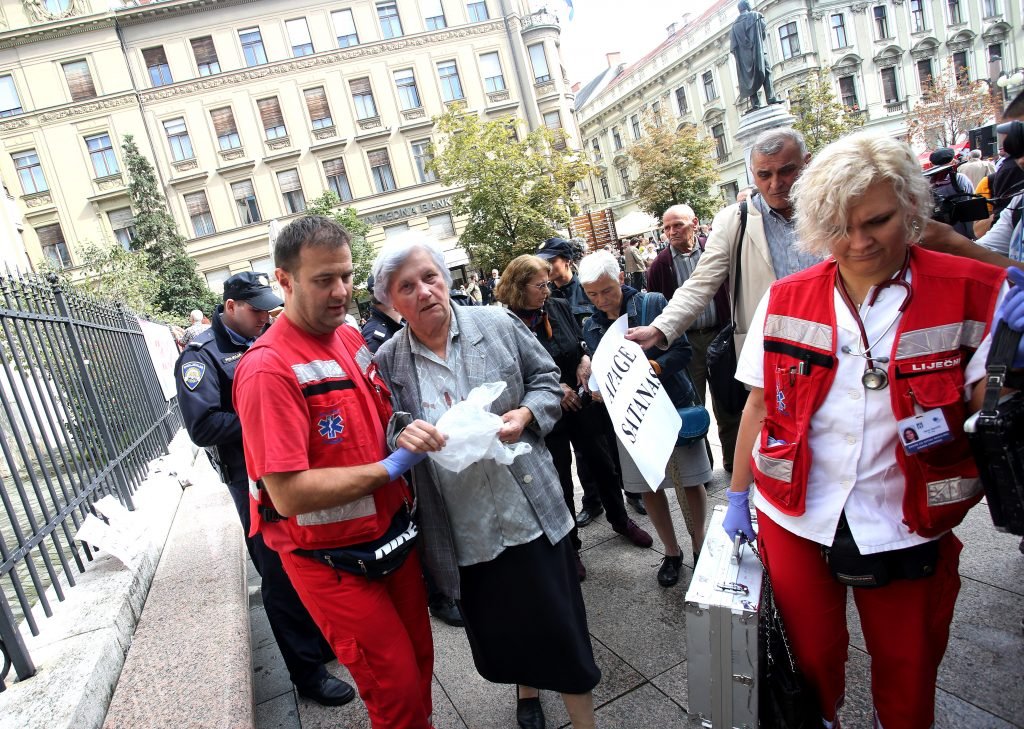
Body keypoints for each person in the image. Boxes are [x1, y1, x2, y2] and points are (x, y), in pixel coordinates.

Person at [724, 131, 1010, 729]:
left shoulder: (973, 292)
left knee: (908, 672)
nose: (858, 243)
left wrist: (1014, 358)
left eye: (876, 221)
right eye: (838, 227)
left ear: (910, 207)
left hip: (908, 517)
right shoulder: (784, 299)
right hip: (795, 513)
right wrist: (736, 493)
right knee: (810, 665)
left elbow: (991, 410)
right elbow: (757, 404)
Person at [372, 235, 599, 729]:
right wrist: (403, 431)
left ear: (445, 278)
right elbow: (388, 426)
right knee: (510, 627)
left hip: (528, 508)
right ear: (391, 301)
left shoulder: (496, 323)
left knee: (562, 626)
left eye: (429, 277)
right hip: (464, 526)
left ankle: (586, 722)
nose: (424, 291)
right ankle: (527, 689)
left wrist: (524, 413)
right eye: (406, 286)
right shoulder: (389, 360)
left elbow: (545, 381)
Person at [233, 216, 435, 729]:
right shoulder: (266, 369)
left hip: (389, 537)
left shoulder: (348, 337)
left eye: (345, 275)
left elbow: (378, 418)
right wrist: (390, 468)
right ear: (284, 280)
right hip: (332, 560)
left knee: (418, 670)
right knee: (395, 692)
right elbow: (289, 494)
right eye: (324, 280)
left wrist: (405, 435)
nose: (341, 291)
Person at [174, 272, 355, 707]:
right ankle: (306, 673)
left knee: (311, 557)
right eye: (256, 309)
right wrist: (272, 415)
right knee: (279, 575)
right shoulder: (202, 356)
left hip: (295, 467)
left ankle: (320, 642)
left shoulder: (269, 339)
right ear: (230, 306)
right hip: (252, 481)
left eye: (268, 308)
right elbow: (202, 427)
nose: (265, 316)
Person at [495, 254, 653, 580]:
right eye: (539, 285)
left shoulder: (557, 305)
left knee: (603, 464)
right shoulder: (505, 324)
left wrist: (584, 357)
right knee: (561, 481)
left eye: (547, 283)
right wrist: (554, 388)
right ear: (518, 288)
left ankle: (620, 519)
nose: (546, 290)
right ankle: (572, 546)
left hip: (581, 403)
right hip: (544, 413)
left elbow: (577, 340)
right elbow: (512, 372)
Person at [627, 128, 818, 381]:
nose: (775, 184)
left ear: (807, 163)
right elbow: (699, 284)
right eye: (764, 175)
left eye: (786, 171)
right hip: (771, 354)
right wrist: (659, 329)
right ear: (753, 174)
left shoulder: (832, 209)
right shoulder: (734, 221)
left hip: (833, 344)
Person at [579, 250, 711, 587]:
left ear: (621, 279)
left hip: (671, 404)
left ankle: (700, 547)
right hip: (631, 417)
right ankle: (671, 551)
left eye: (606, 290)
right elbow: (603, 368)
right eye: (592, 294)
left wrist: (655, 366)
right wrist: (597, 386)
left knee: (691, 480)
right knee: (649, 485)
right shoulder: (591, 325)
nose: (600, 300)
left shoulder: (652, 303)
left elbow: (682, 351)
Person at [360, 274, 464, 627]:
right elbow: (381, 396)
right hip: (410, 453)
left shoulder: (394, 325)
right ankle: (439, 596)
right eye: (403, 288)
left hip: (430, 443)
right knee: (426, 520)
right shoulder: (376, 335)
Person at [537, 236, 648, 520]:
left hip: (608, 375)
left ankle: (633, 492)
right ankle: (592, 500)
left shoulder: (587, 285)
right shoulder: (549, 297)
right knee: (587, 454)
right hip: (579, 387)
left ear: (567, 261)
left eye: (552, 261)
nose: (547, 267)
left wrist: (586, 358)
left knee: (613, 442)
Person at [646, 204, 741, 472]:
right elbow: (656, 306)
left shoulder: (716, 250)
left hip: (721, 335)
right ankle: (704, 467)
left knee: (727, 399)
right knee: (694, 403)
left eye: (678, 225)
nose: (672, 232)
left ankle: (734, 461)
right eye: (666, 228)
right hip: (686, 343)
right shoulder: (660, 266)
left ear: (694, 223)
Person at [730, 0, 781, 110]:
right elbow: (762, 31)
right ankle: (771, 98)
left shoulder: (734, 27)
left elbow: (733, 47)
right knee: (767, 72)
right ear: (748, 6)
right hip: (758, 51)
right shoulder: (756, 16)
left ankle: (755, 104)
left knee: (748, 79)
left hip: (745, 58)